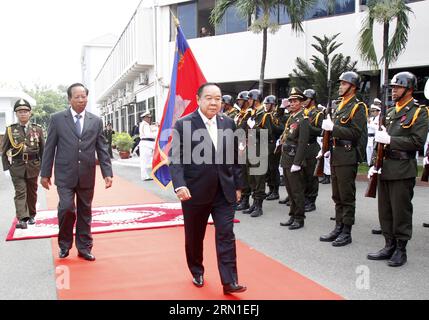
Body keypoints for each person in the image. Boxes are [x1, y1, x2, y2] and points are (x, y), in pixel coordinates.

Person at [169, 83, 246, 295]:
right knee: (195, 235)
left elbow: (236, 156)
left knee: (226, 234)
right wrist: (180, 184)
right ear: (198, 99)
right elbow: (175, 159)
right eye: (209, 98)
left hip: (224, 191)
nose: (214, 102)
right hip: (195, 191)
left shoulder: (228, 123)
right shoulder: (183, 124)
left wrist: (238, 185)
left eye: (218, 98)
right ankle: (196, 269)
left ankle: (230, 281)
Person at [40, 83, 113, 261]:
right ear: (69, 99)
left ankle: (84, 247)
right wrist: (45, 173)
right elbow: (49, 147)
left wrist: (107, 172)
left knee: (85, 211)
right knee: (66, 209)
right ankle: (64, 245)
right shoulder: (57, 119)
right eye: (77, 97)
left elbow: (101, 148)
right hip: (65, 174)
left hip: (87, 174)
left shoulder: (95, 121)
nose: (81, 100)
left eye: (84, 96)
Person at [367, 72, 428, 267]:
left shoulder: (419, 112)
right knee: (385, 211)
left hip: (402, 168)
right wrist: (374, 164)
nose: (393, 91)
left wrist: (391, 140)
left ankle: (401, 249)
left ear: (409, 89)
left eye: (397, 87)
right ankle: (389, 245)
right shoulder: (392, 112)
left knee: (400, 211)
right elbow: (380, 143)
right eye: (392, 88)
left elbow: (417, 142)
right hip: (385, 167)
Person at [319, 71, 368, 246]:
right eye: (340, 84)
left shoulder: (358, 106)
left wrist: (334, 128)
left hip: (347, 155)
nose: (340, 86)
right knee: (337, 194)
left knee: (346, 195)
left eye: (344, 84)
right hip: (335, 153)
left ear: (353, 87)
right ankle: (338, 226)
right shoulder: (339, 105)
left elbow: (356, 133)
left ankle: (346, 231)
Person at [1, 99, 44, 229]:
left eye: (25, 111)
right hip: (17, 166)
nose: (23, 114)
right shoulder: (10, 130)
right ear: (16, 114)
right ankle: (22, 219)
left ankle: (31, 214)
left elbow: (43, 150)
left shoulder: (37, 129)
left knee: (32, 192)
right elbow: (4, 150)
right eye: (20, 112)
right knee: (20, 192)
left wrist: (44, 168)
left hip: (33, 165)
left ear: (30, 113)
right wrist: (6, 168)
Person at [279, 88, 310, 230]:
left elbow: (303, 142)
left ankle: (299, 218)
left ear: (302, 103)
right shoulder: (292, 117)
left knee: (297, 191)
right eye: (290, 101)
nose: (292, 103)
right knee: (290, 190)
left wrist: (297, 163)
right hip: (286, 157)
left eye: (295, 101)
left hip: (294, 159)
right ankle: (292, 215)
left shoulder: (303, 120)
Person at [302, 89, 323, 212]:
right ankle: (304, 198)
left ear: (312, 100)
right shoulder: (303, 112)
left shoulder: (318, 113)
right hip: (302, 147)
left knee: (311, 176)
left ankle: (311, 201)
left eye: (306, 99)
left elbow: (320, 131)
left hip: (312, 146)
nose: (304, 101)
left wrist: (308, 126)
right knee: (303, 175)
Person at [139, 111, 157, 181]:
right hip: (146, 144)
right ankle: (145, 176)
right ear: (145, 118)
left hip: (148, 144)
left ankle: (146, 175)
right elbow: (149, 135)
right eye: (148, 117)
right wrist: (157, 133)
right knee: (145, 161)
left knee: (147, 161)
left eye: (150, 117)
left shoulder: (145, 124)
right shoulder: (145, 124)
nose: (150, 119)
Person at [366, 99, 381, 165]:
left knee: (374, 154)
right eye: (371, 111)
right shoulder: (371, 119)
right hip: (369, 138)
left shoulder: (379, 119)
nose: (372, 112)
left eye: (373, 111)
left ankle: (374, 166)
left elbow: (377, 128)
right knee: (368, 153)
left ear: (378, 111)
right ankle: (369, 165)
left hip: (374, 138)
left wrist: (370, 124)